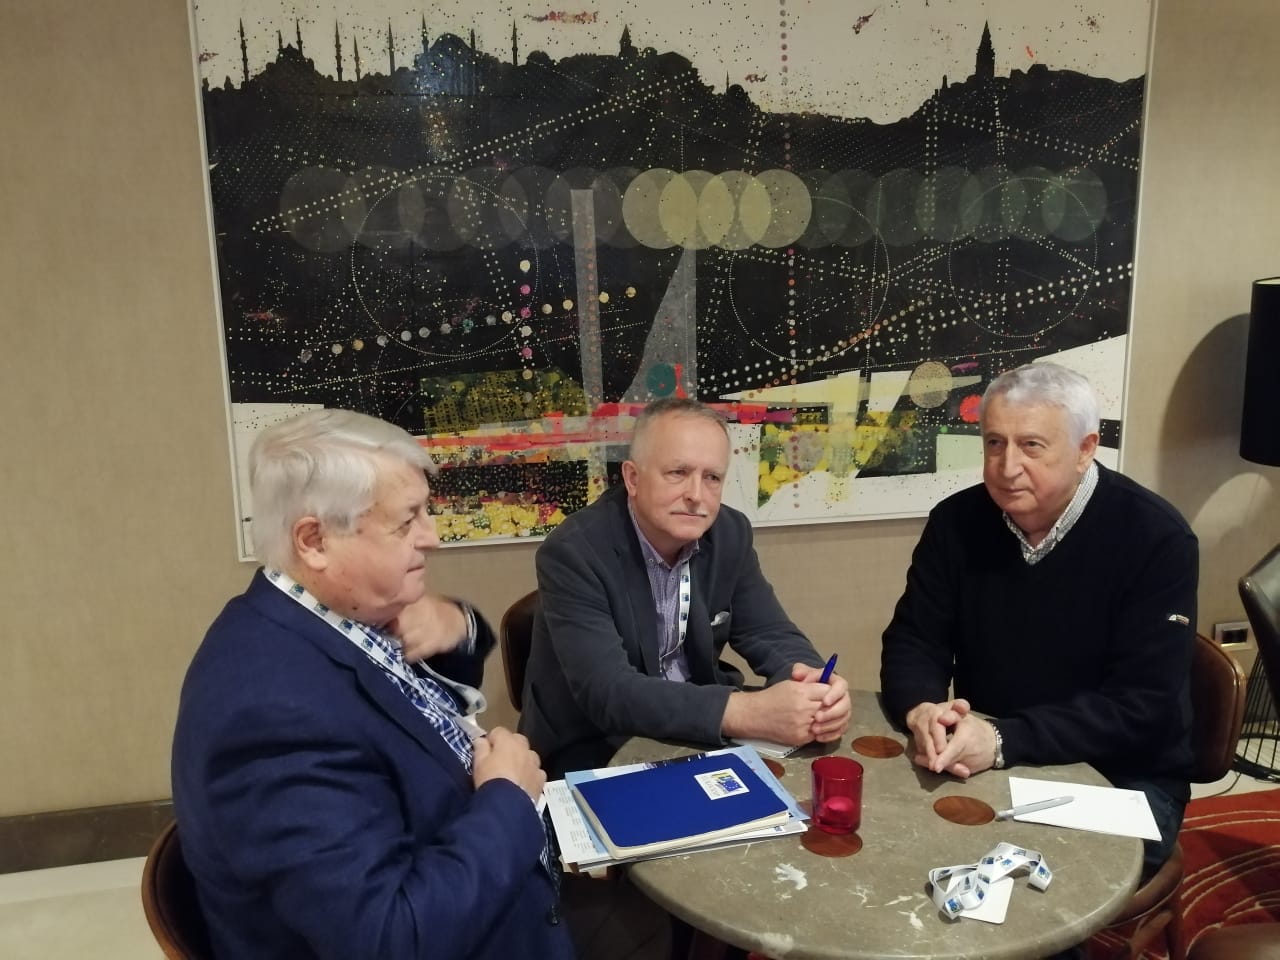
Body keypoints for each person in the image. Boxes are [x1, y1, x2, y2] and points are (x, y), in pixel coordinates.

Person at [172, 409, 573, 960]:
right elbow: (390, 938)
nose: (432, 537)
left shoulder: (332, 616)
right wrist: (509, 799)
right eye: (406, 523)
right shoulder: (271, 715)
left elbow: (409, 722)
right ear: (314, 540)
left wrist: (459, 626)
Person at [880, 362, 1198, 878]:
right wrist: (924, 710)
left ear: (1085, 449)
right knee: (900, 849)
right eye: (994, 443)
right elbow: (916, 638)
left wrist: (1002, 739)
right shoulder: (956, 522)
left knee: (1025, 887)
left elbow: (1143, 706)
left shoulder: (1156, 538)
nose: (1007, 467)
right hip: (991, 757)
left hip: (1124, 776)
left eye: (1031, 446)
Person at [520, 397, 852, 778]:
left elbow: (769, 631)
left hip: (695, 734)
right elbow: (608, 692)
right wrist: (744, 712)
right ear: (632, 478)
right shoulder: (573, 552)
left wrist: (813, 686)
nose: (697, 494)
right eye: (678, 472)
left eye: (712, 478)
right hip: (596, 744)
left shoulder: (730, 534)